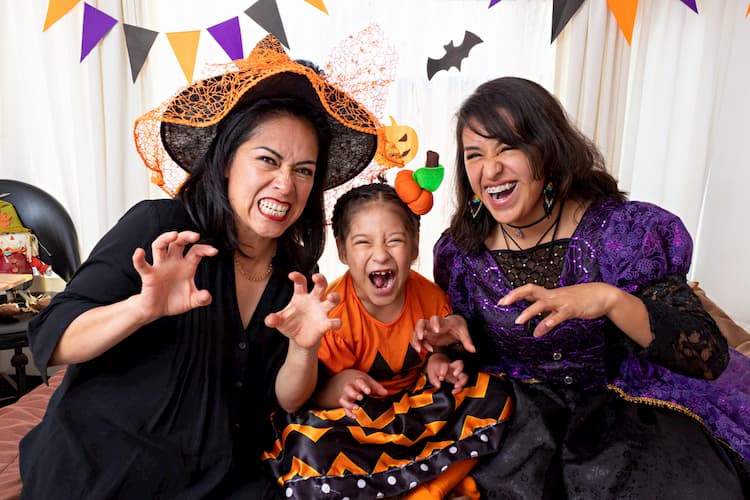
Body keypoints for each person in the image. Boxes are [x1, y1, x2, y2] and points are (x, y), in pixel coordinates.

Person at [19, 35, 382, 499]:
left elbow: (285, 397)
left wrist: (303, 348)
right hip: (104, 469)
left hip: (221, 475)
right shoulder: (161, 226)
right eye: (267, 160)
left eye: (304, 170)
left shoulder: (295, 269)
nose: (286, 185)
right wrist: (141, 309)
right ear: (229, 161)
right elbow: (53, 341)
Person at [412, 76, 750, 498]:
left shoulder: (625, 231)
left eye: (507, 147)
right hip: (522, 420)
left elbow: (708, 353)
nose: (490, 169)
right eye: (474, 154)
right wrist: (449, 345)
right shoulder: (461, 253)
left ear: (548, 150)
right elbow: (477, 342)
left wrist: (609, 299)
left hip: (631, 413)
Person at [263, 182, 512, 500]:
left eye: (394, 241)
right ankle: (421, 482)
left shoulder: (431, 297)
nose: (380, 254)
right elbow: (314, 396)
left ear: (414, 246)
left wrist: (440, 363)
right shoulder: (332, 311)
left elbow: (438, 351)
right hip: (360, 426)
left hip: (416, 415)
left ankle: (432, 488)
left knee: (493, 393)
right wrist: (342, 386)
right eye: (363, 243)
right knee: (305, 441)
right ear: (342, 250)